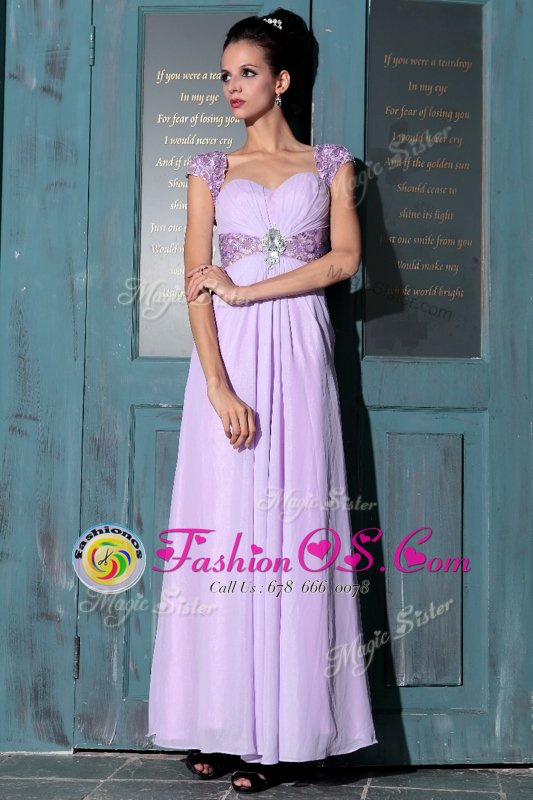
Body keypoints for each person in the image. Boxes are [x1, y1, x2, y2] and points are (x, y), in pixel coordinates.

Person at [147, 7, 378, 793]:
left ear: (281, 80)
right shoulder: (209, 168)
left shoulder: (332, 165)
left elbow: (342, 261)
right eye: (224, 76)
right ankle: (220, 724)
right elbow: (194, 283)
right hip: (230, 362)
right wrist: (216, 385)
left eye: (246, 73)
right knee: (226, 534)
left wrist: (249, 290)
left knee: (291, 533)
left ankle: (279, 735)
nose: (231, 87)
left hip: (301, 353)